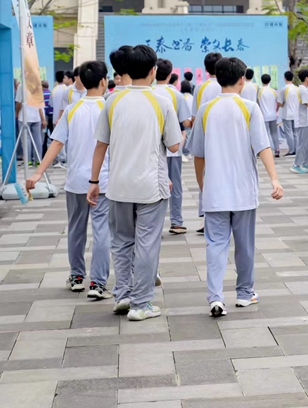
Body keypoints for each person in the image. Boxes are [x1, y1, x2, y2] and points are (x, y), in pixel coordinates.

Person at [88, 44, 182, 321]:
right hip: (150, 186)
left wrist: (94, 181)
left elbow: (100, 145)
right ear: (153, 70)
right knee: (147, 244)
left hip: (117, 185)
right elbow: (174, 146)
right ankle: (141, 304)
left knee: (121, 242)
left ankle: (123, 295)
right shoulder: (162, 102)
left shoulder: (112, 100)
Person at [189, 57, 283, 317]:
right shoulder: (249, 108)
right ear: (243, 79)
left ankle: (216, 298)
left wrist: (202, 185)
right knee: (245, 245)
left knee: (215, 245)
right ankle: (244, 293)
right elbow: (263, 147)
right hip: (243, 191)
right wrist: (274, 179)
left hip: (214, 192)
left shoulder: (206, 109)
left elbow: (198, 155)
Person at [26, 60, 112, 298]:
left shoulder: (73, 109)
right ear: (103, 81)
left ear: (81, 80)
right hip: (103, 181)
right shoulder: (109, 108)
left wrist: (39, 172)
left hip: (75, 181)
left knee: (76, 229)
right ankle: (98, 283)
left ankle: (77, 276)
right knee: (102, 231)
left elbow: (57, 143)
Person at [152, 59, 193, 235]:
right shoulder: (175, 95)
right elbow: (186, 122)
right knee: (174, 185)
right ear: (170, 75)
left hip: (151, 149)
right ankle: (176, 221)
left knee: (153, 184)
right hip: (172, 148)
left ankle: (155, 224)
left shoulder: (149, 92)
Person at [192, 52, 222, 235]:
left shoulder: (200, 87)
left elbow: (195, 116)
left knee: (204, 177)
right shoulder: (226, 85)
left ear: (206, 69)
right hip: (223, 137)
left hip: (205, 135)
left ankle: (207, 217)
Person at [15, 73, 46, 165]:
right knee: (37, 139)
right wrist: (43, 118)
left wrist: (17, 113)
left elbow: (19, 103)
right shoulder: (38, 86)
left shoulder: (21, 86)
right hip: (36, 117)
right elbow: (40, 104)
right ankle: (38, 160)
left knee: (26, 140)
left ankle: (28, 161)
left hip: (24, 117)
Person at [277, 71, 299, 156]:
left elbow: (280, 102)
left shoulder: (283, 89)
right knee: (296, 133)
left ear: (284, 78)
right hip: (296, 114)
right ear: (293, 78)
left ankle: (291, 150)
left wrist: (281, 105)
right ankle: (297, 149)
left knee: (289, 132)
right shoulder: (297, 88)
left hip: (287, 114)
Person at [258, 74, 280, 158]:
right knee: (274, 133)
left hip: (264, 116)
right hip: (273, 115)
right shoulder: (273, 91)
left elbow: (257, 102)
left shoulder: (259, 91)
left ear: (261, 80)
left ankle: (267, 151)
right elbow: (278, 102)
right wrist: (276, 109)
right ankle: (277, 150)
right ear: (270, 80)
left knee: (265, 134)